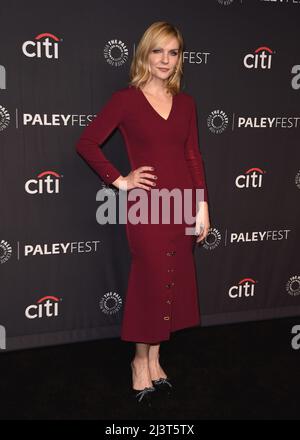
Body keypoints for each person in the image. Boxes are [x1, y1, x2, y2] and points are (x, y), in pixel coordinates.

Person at [76, 21, 210, 405]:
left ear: (179, 58)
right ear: (145, 54)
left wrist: (202, 204)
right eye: (158, 51)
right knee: (151, 281)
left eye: (173, 52)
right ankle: (139, 361)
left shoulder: (186, 103)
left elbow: (193, 155)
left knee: (172, 279)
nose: (166, 60)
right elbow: (86, 143)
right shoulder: (126, 99)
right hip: (148, 206)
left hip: (182, 203)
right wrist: (119, 181)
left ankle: (155, 358)